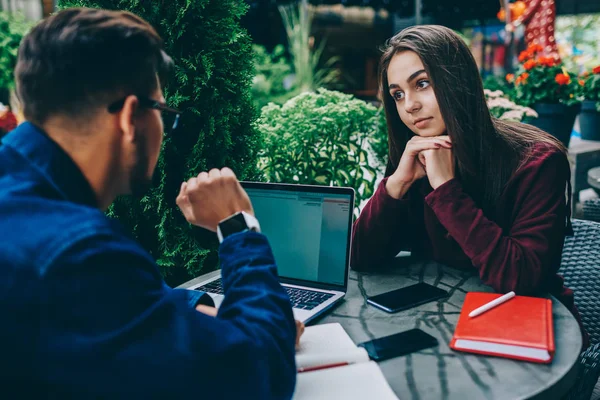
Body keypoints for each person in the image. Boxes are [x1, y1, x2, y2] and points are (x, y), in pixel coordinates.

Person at [0, 8, 300, 398]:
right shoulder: (77, 251)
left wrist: (185, 308)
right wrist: (236, 225)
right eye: (162, 112)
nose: (164, 130)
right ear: (130, 118)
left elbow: (90, 306)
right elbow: (259, 373)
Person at [351, 25, 589, 348]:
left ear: (457, 81)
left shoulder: (537, 162)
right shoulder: (417, 158)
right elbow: (361, 258)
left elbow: (522, 279)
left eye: (422, 84)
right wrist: (396, 184)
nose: (409, 105)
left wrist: (446, 190)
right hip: (441, 322)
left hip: (531, 336)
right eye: (397, 94)